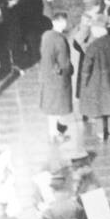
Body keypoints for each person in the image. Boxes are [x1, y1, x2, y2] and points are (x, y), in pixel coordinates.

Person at [38, 9, 73, 140]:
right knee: (56, 107)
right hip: (58, 79)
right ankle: (55, 134)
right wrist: (69, 70)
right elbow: (64, 62)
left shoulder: (46, 35)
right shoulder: (60, 39)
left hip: (46, 76)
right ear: (62, 23)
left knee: (51, 106)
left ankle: (53, 131)